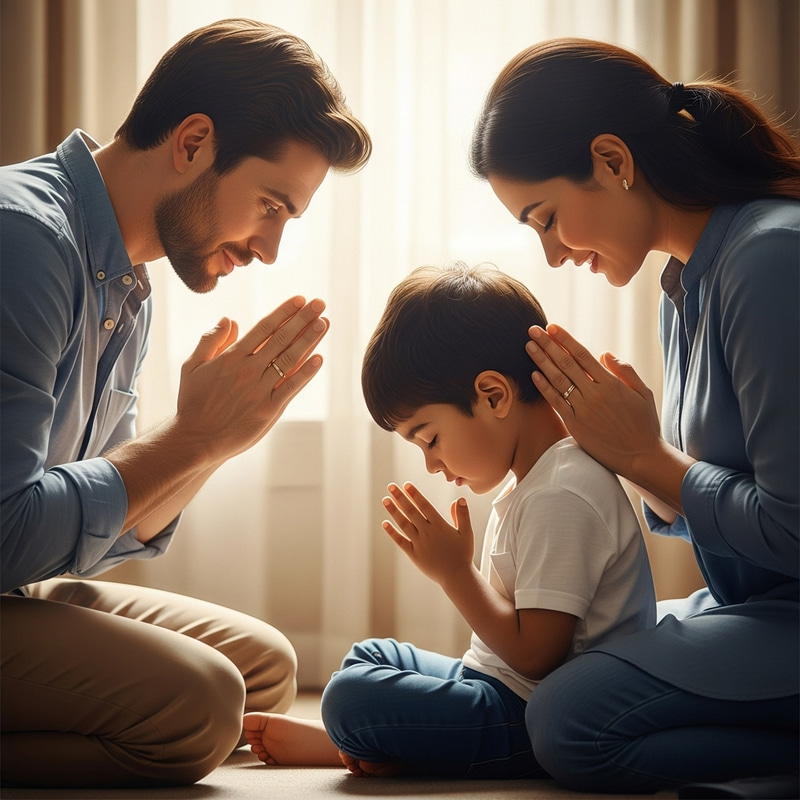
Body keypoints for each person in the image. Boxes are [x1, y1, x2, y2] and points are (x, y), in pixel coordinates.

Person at [0, 18, 371, 788]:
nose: (269, 249)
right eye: (270, 205)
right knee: (203, 704)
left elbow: (104, 524)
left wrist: (220, 441)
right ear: (194, 142)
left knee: (262, 670)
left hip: (17, 586)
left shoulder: (128, 279)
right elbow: (7, 531)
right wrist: (193, 437)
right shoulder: (25, 241)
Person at [469, 37, 800, 794]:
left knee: (568, 721)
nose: (551, 255)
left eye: (547, 217)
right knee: (572, 674)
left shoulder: (770, 260)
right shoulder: (684, 284)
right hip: (758, 609)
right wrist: (630, 455)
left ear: (614, 162)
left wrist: (646, 457)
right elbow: (715, 510)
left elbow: (791, 525)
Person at [243, 262, 656, 778]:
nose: (433, 465)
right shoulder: (541, 478)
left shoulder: (563, 493)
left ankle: (361, 744)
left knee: (350, 697)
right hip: (493, 684)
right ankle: (381, 747)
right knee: (368, 655)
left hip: (528, 716)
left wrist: (455, 573)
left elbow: (536, 658)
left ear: (494, 395)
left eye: (429, 438)